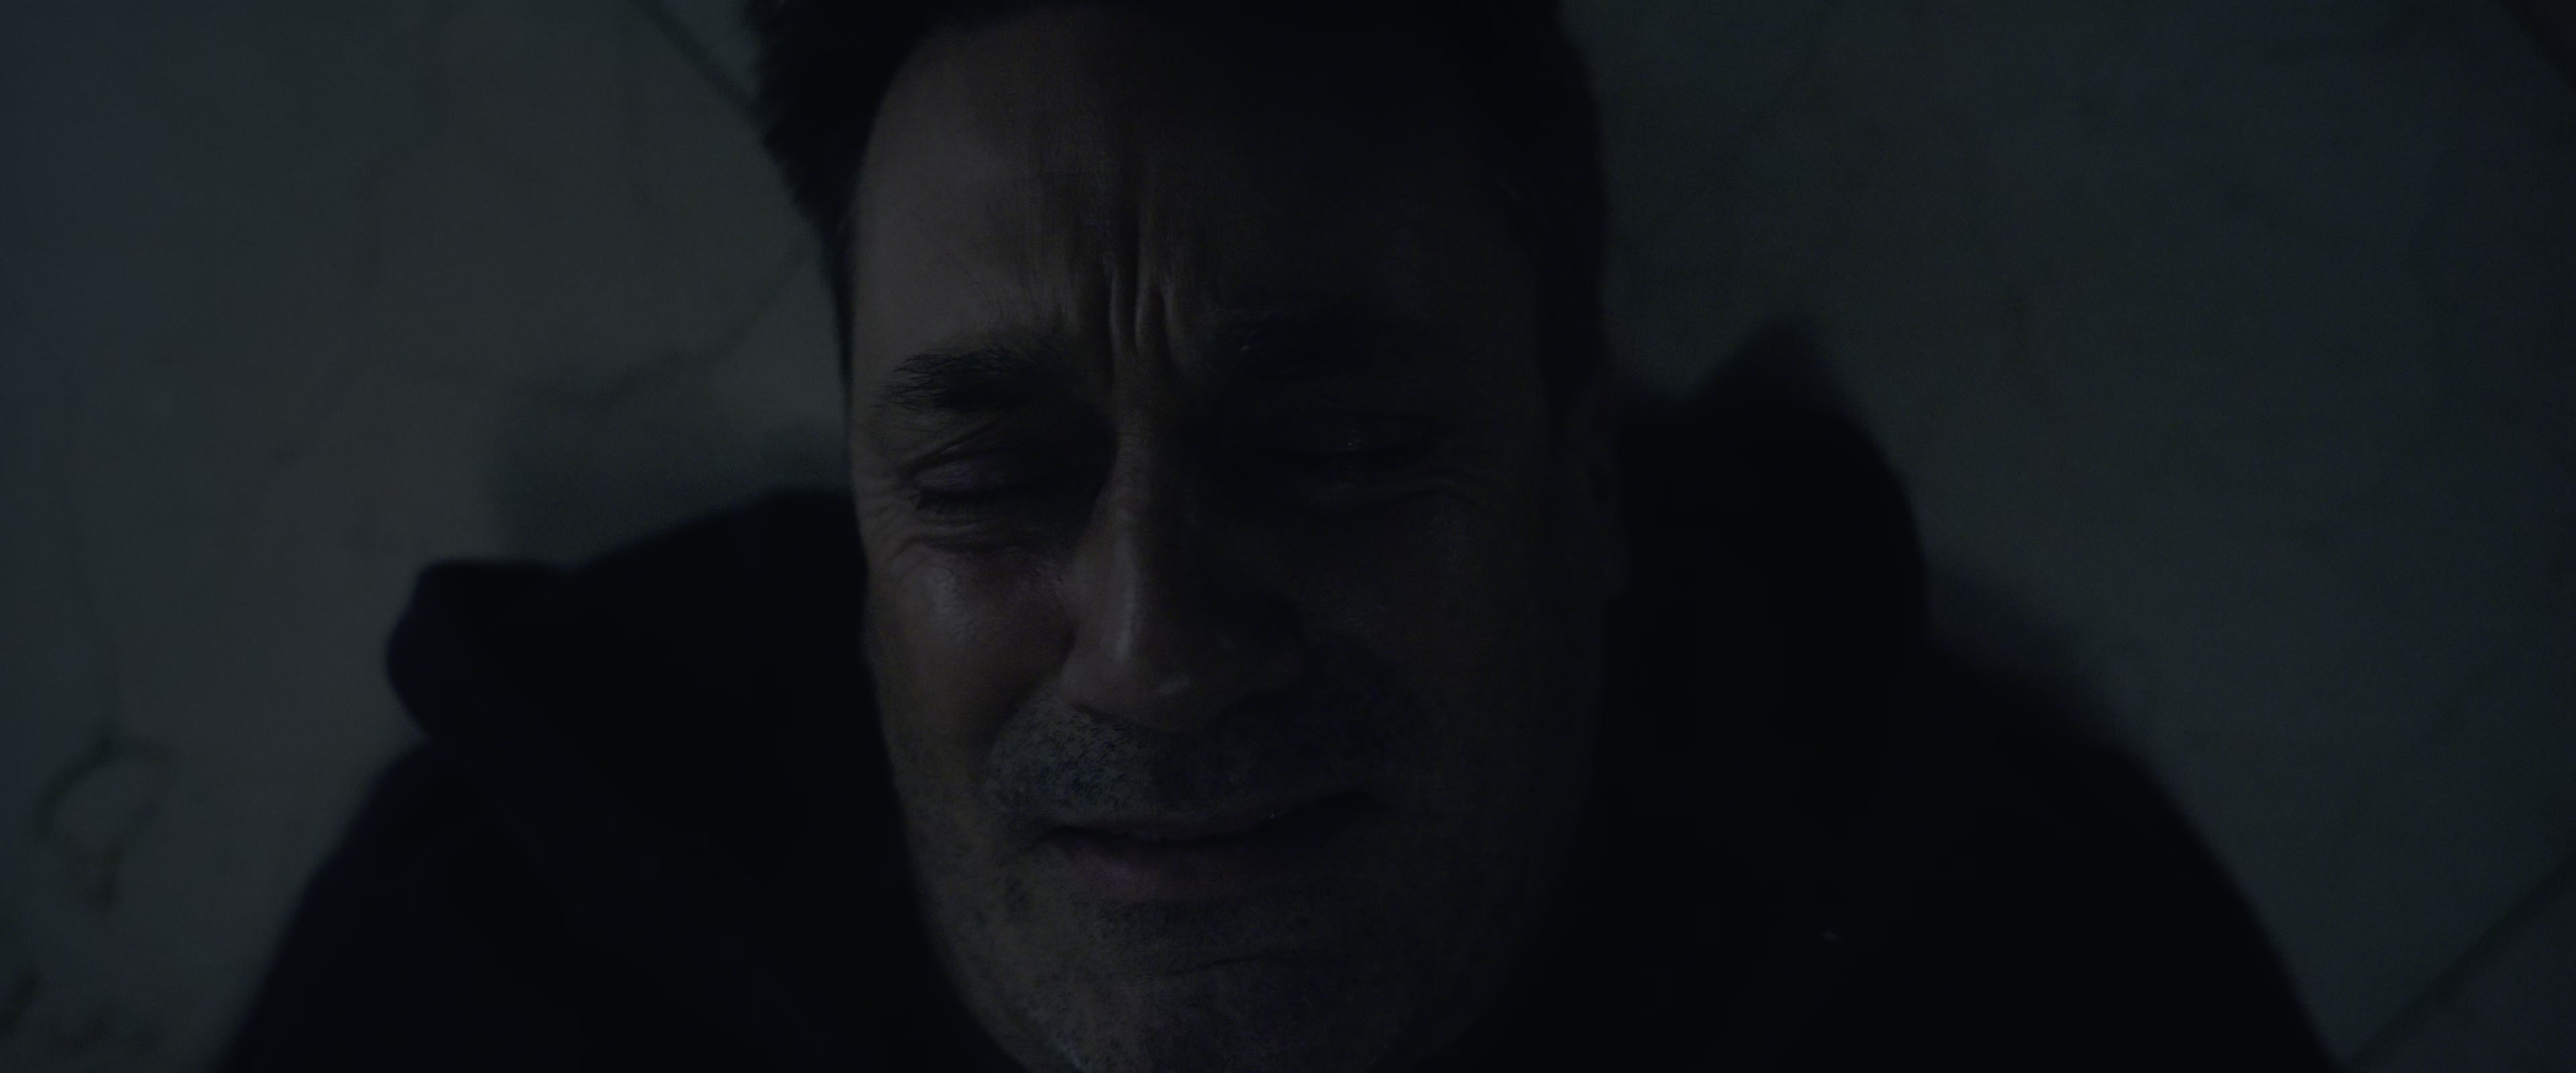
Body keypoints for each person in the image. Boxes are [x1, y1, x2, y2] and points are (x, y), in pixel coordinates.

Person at [219, 1, 2338, 1070]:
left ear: (1587, 490)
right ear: (859, 546)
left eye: (1332, 444)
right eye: (987, 478)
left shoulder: (2043, 987)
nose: (1154, 643)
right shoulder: (480, 996)